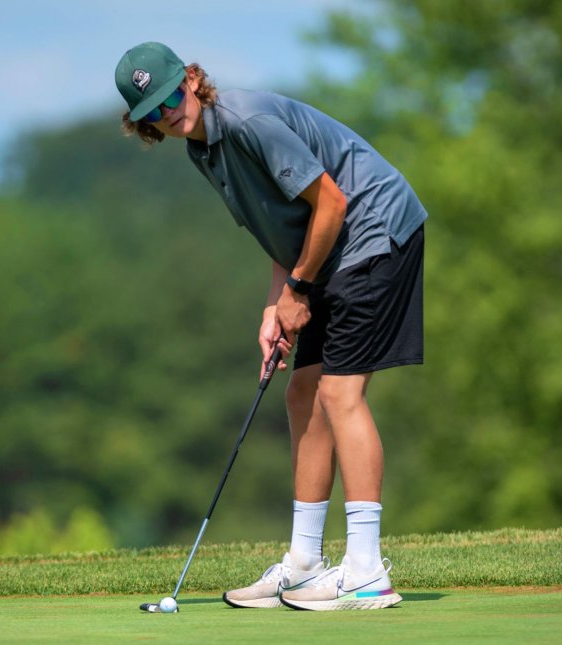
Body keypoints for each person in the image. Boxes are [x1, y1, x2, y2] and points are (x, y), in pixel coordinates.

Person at [115, 42, 427, 611]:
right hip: (328, 248)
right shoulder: (202, 152)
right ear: (143, 123)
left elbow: (330, 202)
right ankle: (305, 564)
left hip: (375, 231)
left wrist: (299, 291)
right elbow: (282, 223)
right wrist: (274, 306)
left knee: (340, 392)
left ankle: (365, 571)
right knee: (302, 393)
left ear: (191, 79)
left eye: (172, 95)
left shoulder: (246, 122)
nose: (170, 112)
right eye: (154, 111)